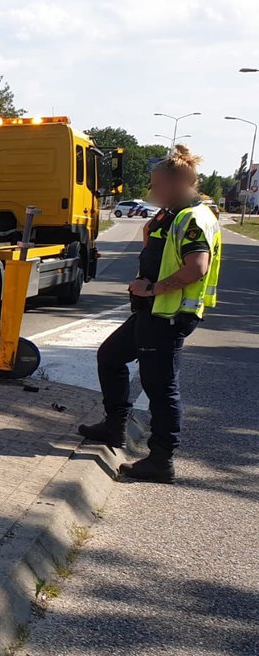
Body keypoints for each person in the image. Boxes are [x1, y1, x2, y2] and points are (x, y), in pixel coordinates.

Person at [78, 146, 223, 482]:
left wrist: (153, 288)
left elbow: (197, 267)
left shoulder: (193, 218)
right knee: (110, 356)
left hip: (168, 314)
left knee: (160, 388)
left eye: (156, 184)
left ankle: (161, 460)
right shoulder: (173, 213)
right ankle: (115, 426)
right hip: (152, 311)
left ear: (176, 183)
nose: (151, 190)